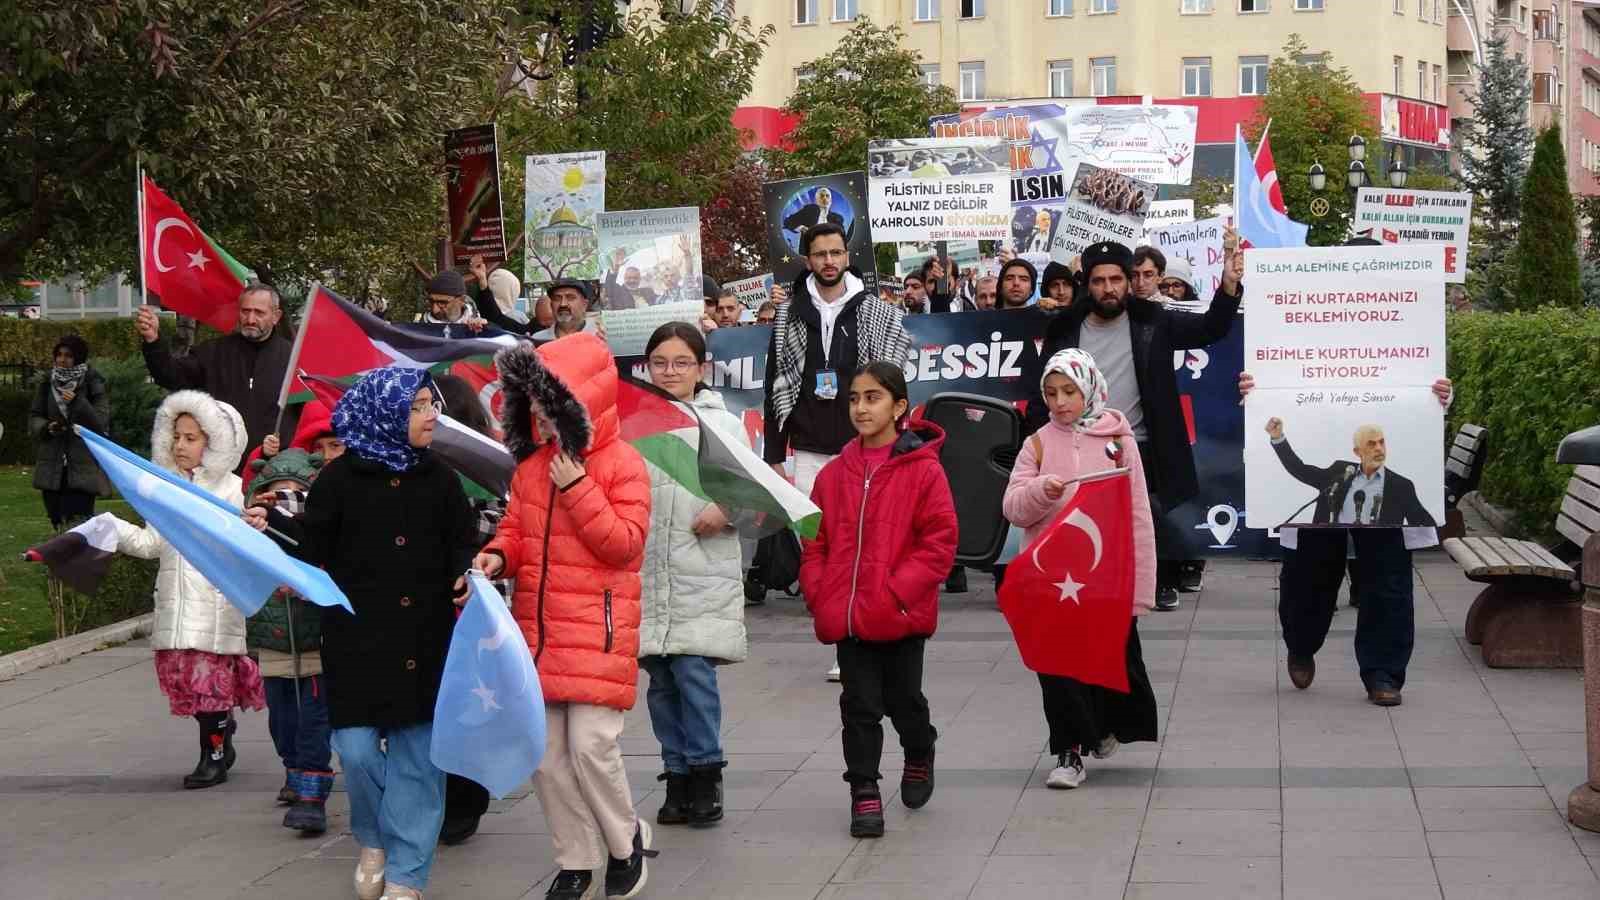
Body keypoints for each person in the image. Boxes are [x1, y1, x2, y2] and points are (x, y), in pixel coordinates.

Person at [247, 367, 479, 900]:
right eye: (419, 405)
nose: (431, 416)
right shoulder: (339, 479)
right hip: (356, 637)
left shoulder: (440, 477)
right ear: (387, 414)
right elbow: (312, 546)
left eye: (431, 404)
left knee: (418, 758)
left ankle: (407, 874)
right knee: (354, 750)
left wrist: (467, 569)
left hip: (426, 637)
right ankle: (373, 837)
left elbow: (462, 542)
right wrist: (271, 526)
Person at [473, 334, 655, 900]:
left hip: (599, 634)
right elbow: (518, 532)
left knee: (591, 747)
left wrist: (577, 487)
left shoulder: (623, 464)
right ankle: (576, 859)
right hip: (540, 635)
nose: (538, 418)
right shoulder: (531, 469)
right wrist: (498, 554)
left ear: (579, 406)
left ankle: (624, 843)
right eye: (531, 405)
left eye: (549, 406)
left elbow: (624, 545)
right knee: (547, 757)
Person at [1027, 236, 1244, 613]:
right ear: (1087, 285)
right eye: (1098, 281)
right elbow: (1041, 386)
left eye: (1116, 279)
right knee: (1088, 525)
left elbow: (1211, 329)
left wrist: (1228, 286)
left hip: (1141, 442)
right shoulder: (1064, 327)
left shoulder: (1154, 319)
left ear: (1129, 281)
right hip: (1082, 444)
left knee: (1148, 520)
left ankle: (1155, 582)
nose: (1108, 289)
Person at [799, 362, 957, 838]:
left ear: (899, 407)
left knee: (904, 700)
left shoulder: (924, 471)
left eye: (873, 397)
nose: (861, 407)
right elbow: (815, 541)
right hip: (848, 617)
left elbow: (939, 542)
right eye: (854, 398)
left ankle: (919, 748)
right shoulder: (832, 474)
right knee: (859, 706)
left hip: (900, 615)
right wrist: (820, 592)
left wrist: (896, 592)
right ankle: (863, 790)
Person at [1241, 374, 1454, 707]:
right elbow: (1299, 469)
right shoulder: (1339, 472)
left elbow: (1423, 515)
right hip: (1321, 530)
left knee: (1389, 589)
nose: (1379, 449)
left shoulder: (1401, 484)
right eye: (1371, 444)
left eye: (1382, 442)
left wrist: (1429, 400)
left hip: (1385, 533)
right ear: (1357, 450)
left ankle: (1383, 673)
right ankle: (1301, 645)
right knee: (1305, 585)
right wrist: (1265, 401)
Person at [1002, 349, 1159, 789]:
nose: (1060, 402)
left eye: (1069, 391)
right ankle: (1068, 753)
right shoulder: (1037, 443)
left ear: (1089, 387)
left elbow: (1138, 513)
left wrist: (1140, 587)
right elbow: (1012, 507)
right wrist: (1040, 492)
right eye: (1051, 393)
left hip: (1103, 579)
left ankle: (1103, 727)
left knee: (1107, 663)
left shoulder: (1118, 441)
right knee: (1056, 667)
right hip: (1051, 580)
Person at [763, 222, 911, 682]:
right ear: (807, 259)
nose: (829, 261)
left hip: (862, 449)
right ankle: (840, 630)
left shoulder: (874, 310)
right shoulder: (790, 313)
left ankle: (862, 634)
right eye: (820, 254)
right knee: (823, 547)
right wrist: (774, 453)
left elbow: (893, 383)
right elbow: (776, 383)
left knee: (863, 542)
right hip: (807, 449)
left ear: (847, 255)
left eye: (836, 252)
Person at [111, 391, 264, 789]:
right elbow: (151, 543)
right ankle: (220, 734)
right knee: (193, 691)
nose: (180, 445)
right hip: (176, 604)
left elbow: (243, 547)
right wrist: (115, 530)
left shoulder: (232, 490)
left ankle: (212, 756)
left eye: (191, 438)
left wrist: (250, 528)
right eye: (176, 436)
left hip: (216, 603)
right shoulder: (166, 489)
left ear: (215, 443)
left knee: (210, 687)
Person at [638, 323, 749, 829]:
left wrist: (724, 510)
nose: (670, 372)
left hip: (701, 566)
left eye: (681, 362)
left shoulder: (723, 424)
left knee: (692, 673)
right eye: (660, 362)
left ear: (701, 368)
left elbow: (754, 493)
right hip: (650, 570)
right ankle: (674, 772)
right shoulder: (634, 423)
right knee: (660, 679)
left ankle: (706, 771)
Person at [243, 448, 333, 833]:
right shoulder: (254, 532)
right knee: (282, 719)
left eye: (295, 491)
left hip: (313, 642)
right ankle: (294, 770)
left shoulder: (318, 533)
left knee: (313, 718)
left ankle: (314, 791)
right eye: (277, 491)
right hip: (273, 641)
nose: (285, 499)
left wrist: (310, 587)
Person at [137, 283, 296, 459]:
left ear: (276, 316)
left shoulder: (294, 359)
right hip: (222, 466)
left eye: (259, 313)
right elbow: (170, 375)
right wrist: (153, 340)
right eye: (245, 311)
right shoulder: (214, 352)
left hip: (275, 468)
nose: (250, 319)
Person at [30, 334, 111, 527]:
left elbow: (101, 421)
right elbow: (34, 416)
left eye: (68, 355)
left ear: (79, 358)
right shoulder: (47, 382)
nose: (62, 360)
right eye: (58, 354)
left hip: (82, 462)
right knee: (56, 517)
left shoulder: (92, 382)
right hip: (53, 461)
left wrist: (77, 402)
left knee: (79, 522)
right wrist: (47, 427)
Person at [531, 279, 603, 344]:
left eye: (570, 297)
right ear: (551, 305)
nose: (563, 304)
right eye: (557, 298)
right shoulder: (538, 339)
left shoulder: (599, 336)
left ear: (584, 304)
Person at [418, 270, 488, 333]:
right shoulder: (419, 331)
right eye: (431, 301)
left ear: (462, 300)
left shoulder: (478, 323)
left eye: (442, 302)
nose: (435, 310)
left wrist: (483, 331)